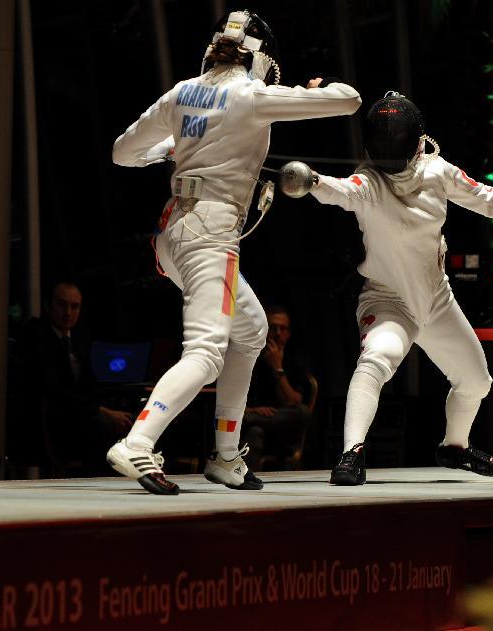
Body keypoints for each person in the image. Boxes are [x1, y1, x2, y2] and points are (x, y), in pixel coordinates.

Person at [106, 10, 361, 494]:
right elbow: (348, 100)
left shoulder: (182, 92)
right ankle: (137, 442)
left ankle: (226, 455)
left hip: (172, 233)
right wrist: (312, 90)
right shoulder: (250, 94)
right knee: (205, 350)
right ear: (260, 56)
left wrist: (170, 149)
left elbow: (122, 152)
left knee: (251, 331)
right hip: (210, 233)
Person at [300, 91, 493, 485]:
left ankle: (454, 447)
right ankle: (350, 455)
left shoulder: (437, 172)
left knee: (477, 380)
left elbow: (489, 199)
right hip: (389, 301)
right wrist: (313, 181)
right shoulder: (367, 181)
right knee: (377, 360)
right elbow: (339, 190)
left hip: (436, 300)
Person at [17, 282, 133, 475]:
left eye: (74, 306)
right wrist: (103, 412)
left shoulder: (78, 338)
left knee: (131, 419)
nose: (68, 312)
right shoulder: (36, 333)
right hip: (53, 418)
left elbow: (90, 383)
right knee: (101, 428)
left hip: (79, 411)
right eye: (62, 305)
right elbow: (53, 388)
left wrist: (109, 410)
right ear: (48, 306)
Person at [242, 306, 313, 471]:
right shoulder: (248, 357)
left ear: (288, 333)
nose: (278, 333)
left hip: (282, 428)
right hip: (251, 426)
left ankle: (249, 419)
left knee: (302, 412)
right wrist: (252, 410)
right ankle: (245, 480)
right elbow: (231, 399)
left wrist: (278, 369)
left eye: (283, 328)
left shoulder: (294, 360)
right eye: (273, 328)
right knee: (255, 431)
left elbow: (293, 402)